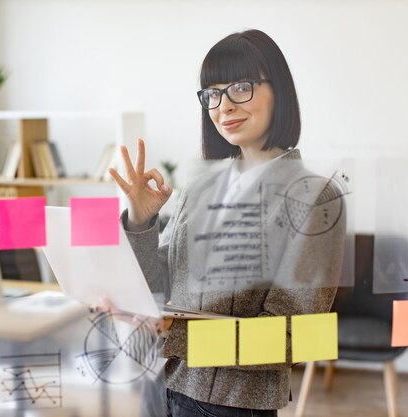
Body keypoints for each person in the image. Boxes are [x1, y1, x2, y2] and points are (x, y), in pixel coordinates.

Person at [109, 29, 345, 417]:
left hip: (231, 406)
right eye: (212, 94)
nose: (223, 107)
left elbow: (293, 337)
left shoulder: (313, 196)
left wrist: (175, 333)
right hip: (160, 388)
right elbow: (156, 287)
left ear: (279, 91)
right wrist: (140, 221)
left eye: (240, 87)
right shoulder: (201, 188)